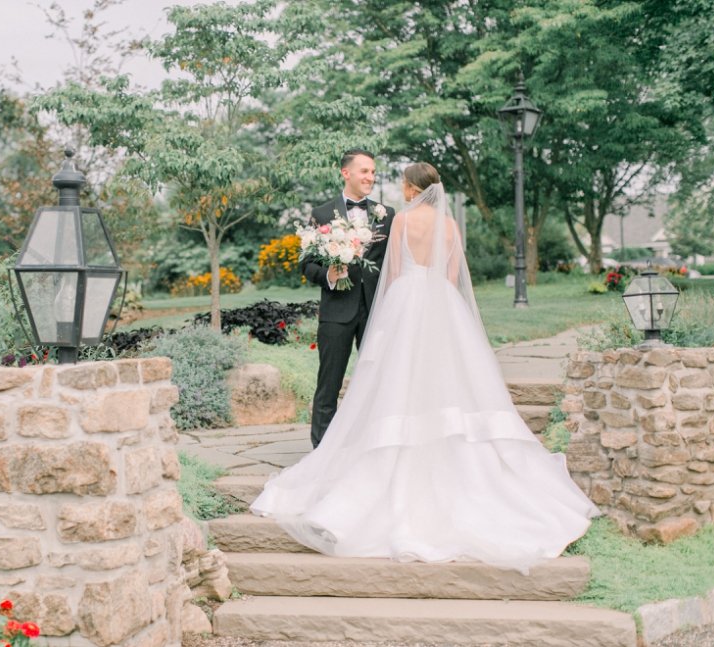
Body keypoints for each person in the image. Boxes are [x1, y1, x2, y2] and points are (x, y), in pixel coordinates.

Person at [253, 163, 599, 573]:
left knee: (398, 383)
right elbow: (451, 277)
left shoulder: (400, 221)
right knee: (449, 381)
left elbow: (394, 273)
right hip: (442, 306)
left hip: (405, 303)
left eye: (402, 184)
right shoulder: (450, 227)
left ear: (412, 188)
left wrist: (393, 310)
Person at [302, 149, 395, 448]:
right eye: (365, 171)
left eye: (372, 172)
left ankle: (373, 447)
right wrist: (330, 274)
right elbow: (305, 265)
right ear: (346, 173)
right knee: (328, 386)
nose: (370, 177)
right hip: (336, 313)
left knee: (379, 385)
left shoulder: (387, 214)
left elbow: (393, 263)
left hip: (375, 312)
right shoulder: (321, 214)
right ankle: (322, 453)